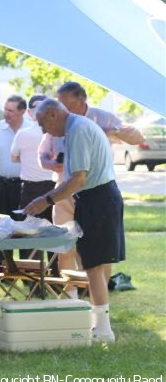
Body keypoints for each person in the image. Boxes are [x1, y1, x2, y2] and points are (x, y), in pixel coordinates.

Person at [24, 98, 124, 343]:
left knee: (93, 264)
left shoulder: (78, 129)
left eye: (42, 123)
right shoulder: (76, 128)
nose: (43, 130)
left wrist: (46, 200)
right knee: (93, 263)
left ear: (53, 114)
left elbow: (79, 178)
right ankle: (99, 324)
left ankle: (103, 329)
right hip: (96, 198)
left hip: (98, 198)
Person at [39, 82, 144, 288]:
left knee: (98, 252)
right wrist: (51, 163)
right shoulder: (56, 122)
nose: (62, 111)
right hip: (64, 190)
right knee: (65, 245)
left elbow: (138, 137)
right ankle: (71, 295)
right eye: (60, 106)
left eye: (67, 106)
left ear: (82, 100)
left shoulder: (100, 118)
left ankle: (96, 295)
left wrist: (111, 131)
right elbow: (42, 154)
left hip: (94, 190)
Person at [10, 94, 58, 279]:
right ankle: (55, 277)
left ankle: (32, 278)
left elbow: (14, 157)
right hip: (53, 188)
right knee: (54, 234)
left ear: (29, 113)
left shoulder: (23, 134)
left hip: (32, 188)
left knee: (29, 234)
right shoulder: (56, 132)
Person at [0, 95, 28, 271]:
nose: (6, 113)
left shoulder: (31, 128)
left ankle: (27, 273)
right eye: (5, 109)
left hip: (24, 186)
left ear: (22, 111)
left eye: (11, 110)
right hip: (2, 184)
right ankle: (3, 270)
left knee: (24, 230)